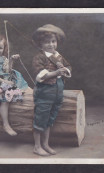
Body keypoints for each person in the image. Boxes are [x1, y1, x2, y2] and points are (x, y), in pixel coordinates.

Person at [32, 24, 72, 156]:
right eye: (47, 42)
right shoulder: (40, 57)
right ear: (40, 43)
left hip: (58, 91)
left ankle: (45, 144)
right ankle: (37, 146)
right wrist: (56, 73)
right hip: (45, 91)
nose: (51, 44)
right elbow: (40, 75)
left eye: (53, 41)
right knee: (40, 119)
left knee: (50, 119)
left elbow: (68, 67)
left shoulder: (58, 56)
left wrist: (64, 69)